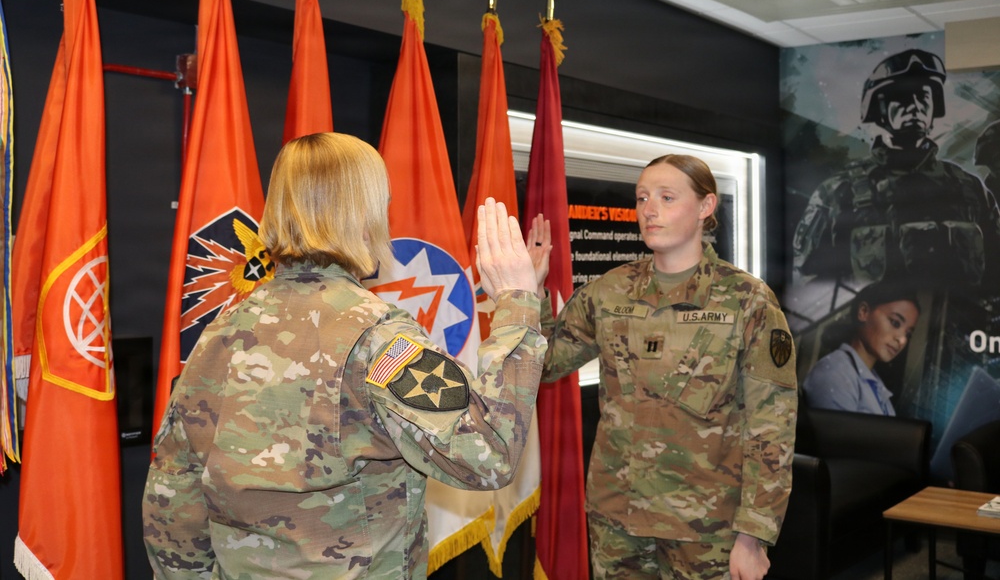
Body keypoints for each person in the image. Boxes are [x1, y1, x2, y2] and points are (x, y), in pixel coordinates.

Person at [142, 132, 546, 579]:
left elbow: (173, 500)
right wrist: (516, 303)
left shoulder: (220, 331)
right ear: (362, 215)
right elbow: (488, 455)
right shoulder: (377, 338)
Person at [529, 154, 797, 580]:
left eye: (667, 197)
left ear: (706, 207)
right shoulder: (609, 291)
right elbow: (544, 365)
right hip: (618, 517)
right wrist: (531, 291)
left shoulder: (747, 300)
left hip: (705, 528)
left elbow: (772, 428)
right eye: (642, 198)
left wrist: (754, 533)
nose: (649, 210)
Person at [793, 49, 1000, 288]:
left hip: (961, 322)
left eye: (923, 98)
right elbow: (809, 281)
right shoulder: (840, 192)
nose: (914, 106)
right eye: (902, 98)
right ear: (877, 109)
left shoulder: (969, 188)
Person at [802, 281, 920, 415]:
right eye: (895, 323)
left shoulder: (876, 386)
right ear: (863, 312)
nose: (902, 340)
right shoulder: (835, 372)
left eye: (908, 334)